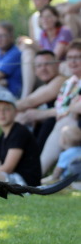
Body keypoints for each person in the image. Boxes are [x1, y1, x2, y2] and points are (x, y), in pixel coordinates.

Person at [41, 39, 81, 175]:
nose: (73, 62)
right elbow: (59, 109)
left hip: (75, 124)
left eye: (77, 57)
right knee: (48, 122)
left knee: (61, 124)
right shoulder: (68, 83)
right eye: (70, 58)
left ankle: (41, 171)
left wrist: (70, 109)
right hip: (67, 122)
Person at [15, 50, 67, 152]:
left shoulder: (60, 80)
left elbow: (29, 102)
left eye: (47, 64)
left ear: (57, 65)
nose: (43, 69)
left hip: (64, 130)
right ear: (35, 70)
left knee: (49, 121)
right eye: (39, 66)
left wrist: (1, 108)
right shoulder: (45, 86)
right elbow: (27, 103)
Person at [19, 5, 73, 99]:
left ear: (56, 18)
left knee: (64, 66)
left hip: (60, 67)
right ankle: (26, 94)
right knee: (27, 53)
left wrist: (40, 66)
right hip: (48, 66)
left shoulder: (64, 31)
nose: (45, 20)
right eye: (42, 17)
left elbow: (54, 57)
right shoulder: (43, 34)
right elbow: (42, 54)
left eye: (48, 16)